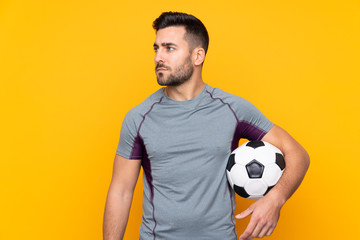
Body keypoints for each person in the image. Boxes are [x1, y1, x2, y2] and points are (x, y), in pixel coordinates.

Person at [103, 11, 310, 240]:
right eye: (156, 48)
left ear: (197, 56)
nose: (158, 57)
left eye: (169, 48)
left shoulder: (233, 109)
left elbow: (297, 154)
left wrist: (274, 200)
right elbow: (121, 192)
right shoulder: (139, 118)